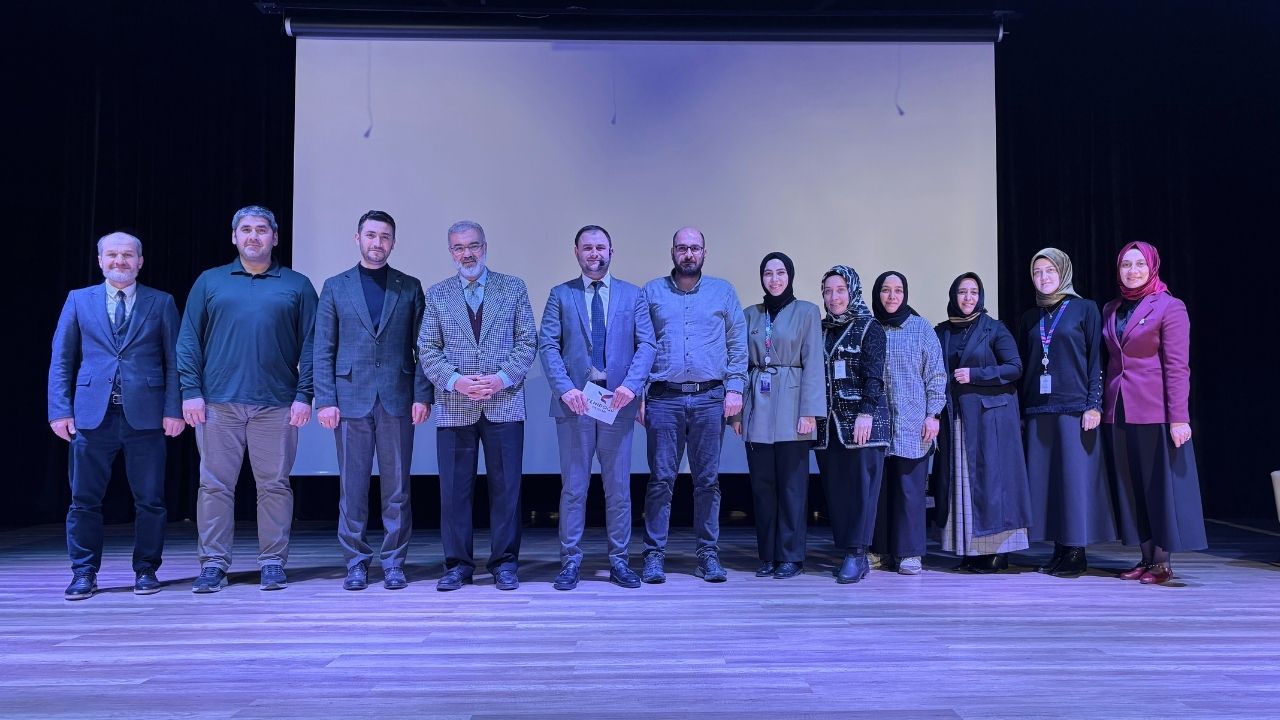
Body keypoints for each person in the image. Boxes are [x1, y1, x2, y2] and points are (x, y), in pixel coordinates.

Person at [178, 205, 318, 593]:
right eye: (246, 229)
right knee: (214, 486)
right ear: (234, 237)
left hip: (277, 404)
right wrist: (190, 391)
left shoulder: (298, 285)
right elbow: (188, 340)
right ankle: (213, 564)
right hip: (217, 403)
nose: (254, 236)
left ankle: (272, 562)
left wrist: (304, 394)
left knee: (274, 486)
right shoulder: (210, 281)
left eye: (261, 229)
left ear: (275, 237)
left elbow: (313, 345)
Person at [48, 232, 184, 600]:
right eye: (112, 255)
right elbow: (62, 358)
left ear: (140, 261)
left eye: (127, 255)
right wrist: (59, 410)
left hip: (147, 417)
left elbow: (175, 361)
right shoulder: (79, 300)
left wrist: (173, 409)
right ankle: (83, 571)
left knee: (151, 500)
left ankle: (146, 569)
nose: (119, 261)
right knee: (84, 499)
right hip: (92, 416)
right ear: (100, 260)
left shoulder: (161, 302)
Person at [314, 210, 434, 591]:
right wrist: (325, 400)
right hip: (349, 398)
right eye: (371, 235)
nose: (377, 242)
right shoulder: (335, 286)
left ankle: (394, 562)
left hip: (398, 398)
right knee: (352, 489)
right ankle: (356, 562)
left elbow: (425, 348)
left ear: (393, 243)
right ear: (358, 239)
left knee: (397, 489)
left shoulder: (409, 287)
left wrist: (423, 395)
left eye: (384, 237)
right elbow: (323, 347)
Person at [418, 220, 536, 591]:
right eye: (458, 248)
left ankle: (505, 564)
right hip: (455, 405)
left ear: (485, 247)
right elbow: (427, 349)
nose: (466, 254)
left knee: (507, 490)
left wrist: (501, 378)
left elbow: (527, 341)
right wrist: (457, 381)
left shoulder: (513, 287)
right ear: (450, 251)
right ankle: (457, 566)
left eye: (473, 246)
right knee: (454, 493)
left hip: (504, 402)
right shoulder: (437, 294)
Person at [539, 225, 656, 590]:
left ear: (611, 251)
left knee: (618, 490)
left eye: (600, 247)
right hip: (575, 404)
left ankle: (619, 561)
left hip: (616, 403)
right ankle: (570, 562)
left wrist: (631, 386)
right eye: (587, 248)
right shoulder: (560, 295)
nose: (594, 254)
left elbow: (647, 345)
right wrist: (565, 390)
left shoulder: (633, 295)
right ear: (576, 252)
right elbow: (547, 346)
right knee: (574, 489)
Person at [640, 226, 747, 584]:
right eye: (682, 248)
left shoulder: (723, 291)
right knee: (660, 480)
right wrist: (639, 394)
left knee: (707, 481)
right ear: (672, 251)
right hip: (663, 398)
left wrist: (735, 388)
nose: (688, 254)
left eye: (695, 248)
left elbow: (737, 343)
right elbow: (640, 345)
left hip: (709, 398)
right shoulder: (652, 292)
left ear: (704, 253)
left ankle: (708, 555)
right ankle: (654, 555)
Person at [1101, 241, 1207, 584]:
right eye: (1125, 265)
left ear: (1152, 267)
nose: (1132, 271)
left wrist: (1179, 417)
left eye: (1139, 265)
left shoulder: (1170, 306)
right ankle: (1145, 558)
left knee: (1157, 488)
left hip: (1155, 410)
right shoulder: (1111, 308)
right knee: (1131, 486)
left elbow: (1177, 367)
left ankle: (1162, 563)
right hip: (1119, 409)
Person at [1018, 248, 1116, 577]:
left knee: (1074, 482)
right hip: (1038, 410)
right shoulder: (1030, 317)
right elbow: (1027, 366)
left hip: (1075, 408)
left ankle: (1076, 551)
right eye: (1037, 272)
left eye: (1050, 270)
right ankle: (1059, 549)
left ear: (1063, 272)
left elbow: (1096, 360)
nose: (1043, 277)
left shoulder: (1085, 309)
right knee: (1048, 483)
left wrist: (1094, 404)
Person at [732, 252, 825, 579]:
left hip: (794, 407)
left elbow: (814, 363)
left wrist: (810, 411)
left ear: (790, 276)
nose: (774, 279)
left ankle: (791, 556)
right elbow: (739, 364)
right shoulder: (750, 315)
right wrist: (736, 414)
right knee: (763, 487)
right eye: (768, 273)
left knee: (792, 488)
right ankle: (768, 555)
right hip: (757, 407)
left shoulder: (807, 312)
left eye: (780, 272)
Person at [932, 272, 1031, 573]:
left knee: (992, 484)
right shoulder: (942, 331)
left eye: (974, 292)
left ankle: (998, 553)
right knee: (960, 485)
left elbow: (1014, 367)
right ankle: (969, 550)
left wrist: (975, 375)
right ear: (953, 295)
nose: (968, 298)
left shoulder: (994, 328)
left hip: (991, 421)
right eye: (962, 292)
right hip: (957, 417)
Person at [813, 265, 889, 584]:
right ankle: (850, 551)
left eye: (840, 290)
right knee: (838, 492)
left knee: (861, 491)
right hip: (830, 427)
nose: (834, 297)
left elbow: (875, 374)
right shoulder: (820, 329)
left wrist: (866, 412)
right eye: (828, 291)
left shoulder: (870, 327)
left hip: (862, 424)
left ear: (852, 291)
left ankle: (858, 554)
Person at [869, 271, 946, 575]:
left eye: (898, 290)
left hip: (913, 424)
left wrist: (933, 414)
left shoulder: (921, 328)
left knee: (909, 491)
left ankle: (909, 553)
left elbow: (936, 374)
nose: (892, 296)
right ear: (877, 293)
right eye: (886, 290)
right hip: (876, 424)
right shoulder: (870, 326)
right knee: (878, 491)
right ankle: (879, 550)